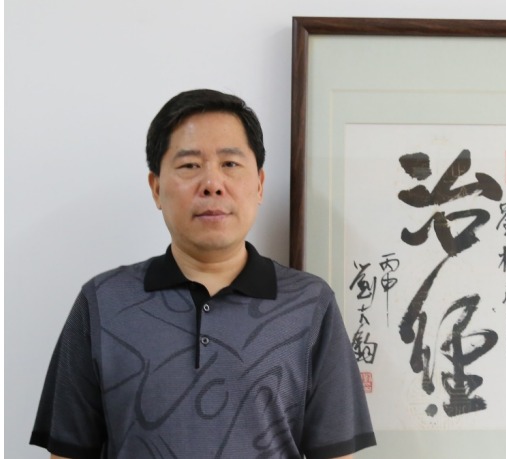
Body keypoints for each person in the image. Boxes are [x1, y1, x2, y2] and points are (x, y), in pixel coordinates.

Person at [30, 89, 376, 459]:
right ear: (156, 188)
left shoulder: (310, 305)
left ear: (259, 184)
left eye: (230, 164)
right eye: (189, 165)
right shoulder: (103, 302)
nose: (212, 183)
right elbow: (68, 452)